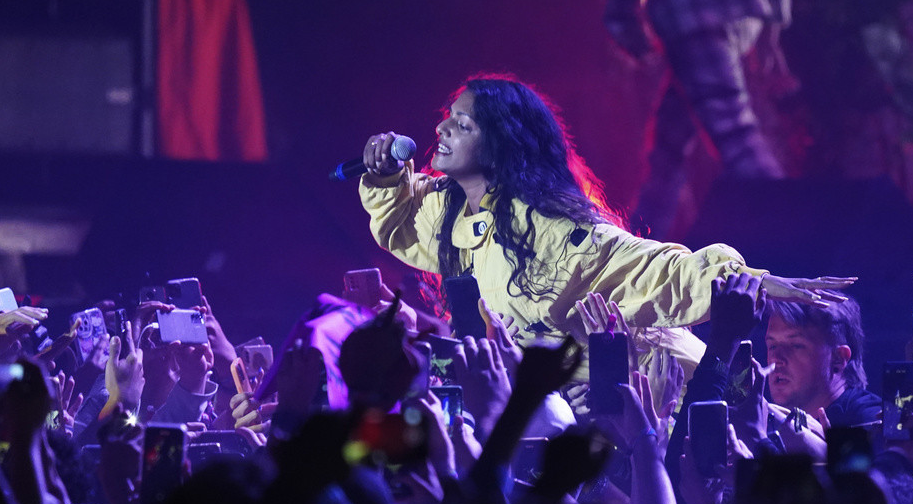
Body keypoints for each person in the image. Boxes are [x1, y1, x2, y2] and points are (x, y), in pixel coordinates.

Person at [356, 74, 852, 388]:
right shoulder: (449, 212)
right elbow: (401, 221)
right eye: (449, 119)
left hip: (652, 393)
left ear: (503, 145)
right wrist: (383, 175)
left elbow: (651, 265)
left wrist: (744, 279)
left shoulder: (551, 230)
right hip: (569, 408)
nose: (442, 130)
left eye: (462, 125)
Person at [604, 0, 793, 238]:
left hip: (687, 16)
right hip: (745, 13)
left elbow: (622, 14)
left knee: (734, 134)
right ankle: (640, 242)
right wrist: (772, 29)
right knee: (669, 149)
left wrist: (628, 31)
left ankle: (791, 227)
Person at [764, 295, 880, 427]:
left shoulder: (871, 423)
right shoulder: (771, 424)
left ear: (838, 358)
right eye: (772, 346)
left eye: (795, 345)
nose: (776, 359)